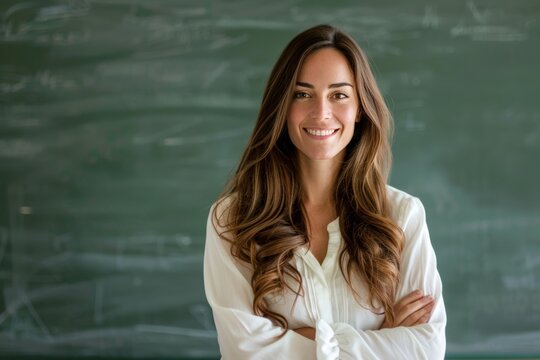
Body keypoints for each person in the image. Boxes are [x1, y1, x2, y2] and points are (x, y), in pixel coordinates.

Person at [203, 24, 446, 359]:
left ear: (360, 107)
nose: (321, 112)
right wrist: (381, 337)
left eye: (339, 95)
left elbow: (425, 349)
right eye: (302, 94)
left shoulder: (403, 216)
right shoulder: (232, 220)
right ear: (282, 107)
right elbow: (245, 352)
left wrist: (301, 338)